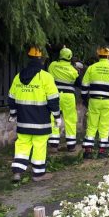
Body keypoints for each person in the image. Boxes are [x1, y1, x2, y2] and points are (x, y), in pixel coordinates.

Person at [8, 46, 61, 182]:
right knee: (39, 145)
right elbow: (53, 99)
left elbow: (11, 98)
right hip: (41, 121)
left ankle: (17, 172)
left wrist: (13, 114)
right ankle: (38, 174)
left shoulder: (18, 77)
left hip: (23, 120)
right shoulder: (46, 77)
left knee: (22, 144)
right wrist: (57, 116)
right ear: (42, 60)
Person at [80, 46, 109, 158]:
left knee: (91, 125)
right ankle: (102, 151)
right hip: (107, 102)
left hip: (94, 100)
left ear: (98, 55)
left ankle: (88, 151)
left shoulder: (91, 68)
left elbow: (84, 86)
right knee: (104, 126)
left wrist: (85, 99)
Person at [47, 47, 79, 152]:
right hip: (69, 96)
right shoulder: (73, 70)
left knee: (54, 118)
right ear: (70, 57)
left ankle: (54, 145)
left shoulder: (52, 65)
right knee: (70, 120)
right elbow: (77, 81)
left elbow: (49, 76)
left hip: (55, 95)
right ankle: (71, 146)